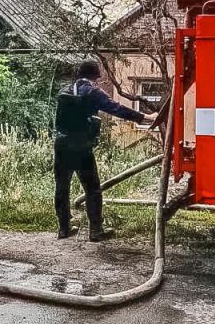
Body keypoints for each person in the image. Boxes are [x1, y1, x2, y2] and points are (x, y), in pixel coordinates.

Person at [54, 59, 149, 241]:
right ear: (95, 76)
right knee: (92, 189)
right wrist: (142, 117)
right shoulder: (92, 91)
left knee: (62, 187)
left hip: (61, 143)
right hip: (81, 146)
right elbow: (116, 108)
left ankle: (64, 228)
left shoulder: (64, 91)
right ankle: (96, 230)